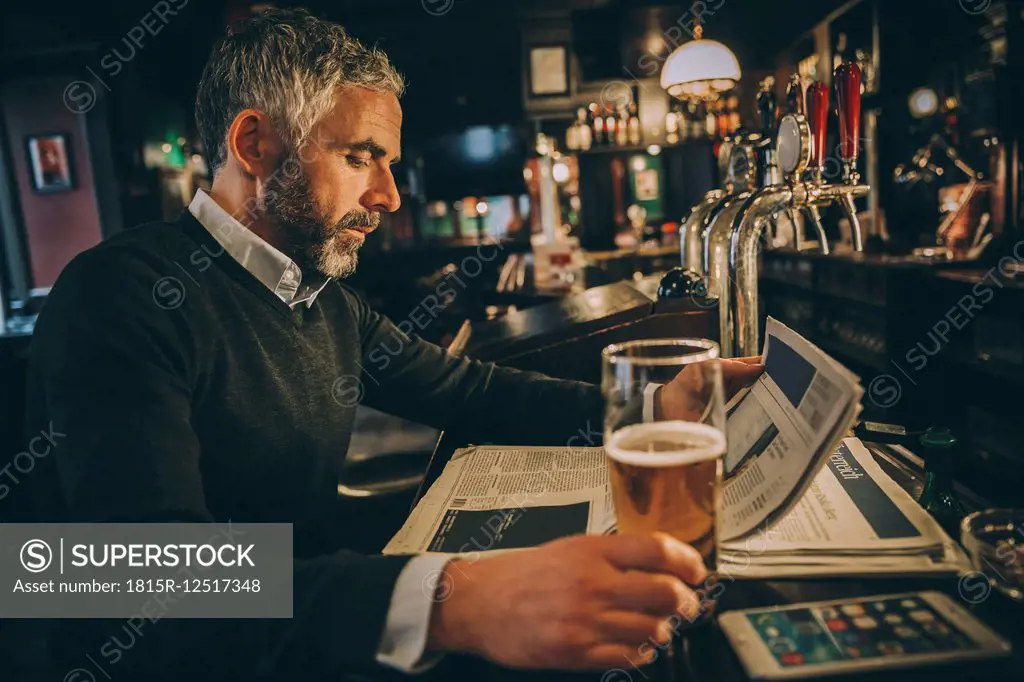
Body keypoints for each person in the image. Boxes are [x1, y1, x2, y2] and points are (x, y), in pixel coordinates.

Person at [18, 9, 763, 680]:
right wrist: (450, 601)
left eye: (388, 162)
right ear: (253, 143)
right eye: (359, 157)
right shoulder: (120, 296)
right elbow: (136, 582)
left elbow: (470, 390)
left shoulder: (319, 299)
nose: (389, 195)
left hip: (301, 633)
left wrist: (650, 405)